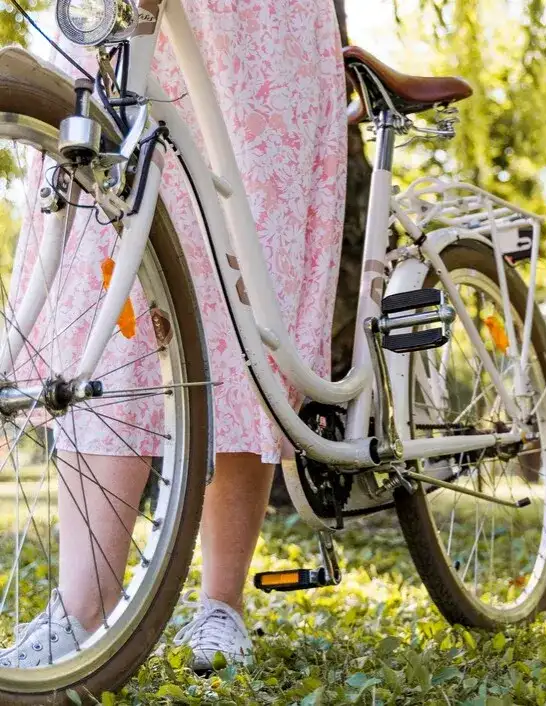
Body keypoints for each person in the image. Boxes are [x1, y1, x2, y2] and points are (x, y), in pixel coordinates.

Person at [0, 0, 347, 672]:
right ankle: (82, 601)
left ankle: (221, 604)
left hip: (256, 33)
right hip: (123, 21)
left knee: (241, 291)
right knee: (99, 266)